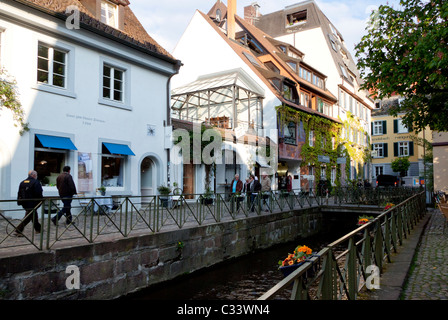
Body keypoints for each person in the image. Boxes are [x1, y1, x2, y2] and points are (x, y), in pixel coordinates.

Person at [14, 170, 43, 236]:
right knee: (28, 216)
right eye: (36, 175)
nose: (37, 176)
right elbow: (38, 193)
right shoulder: (36, 182)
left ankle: (38, 229)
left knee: (33, 215)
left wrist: (19, 202)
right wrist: (41, 200)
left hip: (24, 202)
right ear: (34, 175)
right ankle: (18, 230)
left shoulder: (22, 182)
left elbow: (19, 193)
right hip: (33, 203)